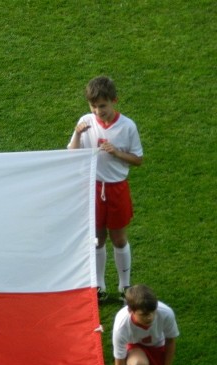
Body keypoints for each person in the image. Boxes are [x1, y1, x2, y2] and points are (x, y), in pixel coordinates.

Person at [68, 76, 143, 302]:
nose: (98, 111)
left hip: (117, 188)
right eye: (93, 106)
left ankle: (124, 286)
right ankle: (98, 286)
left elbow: (138, 159)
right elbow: (71, 154)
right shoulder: (85, 122)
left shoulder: (127, 126)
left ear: (114, 101)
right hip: (93, 188)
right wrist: (78, 134)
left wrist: (117, 153)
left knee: (119, 239)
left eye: (102, 105)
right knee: (97, 239)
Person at [110, 285, 179, 365]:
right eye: (144, 314)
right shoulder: (121, 326)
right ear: (131, 310)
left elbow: (170, 342)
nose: (150, 317)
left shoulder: (166, 313)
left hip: (157, 347)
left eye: (152, 312)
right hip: (135, 348)